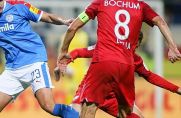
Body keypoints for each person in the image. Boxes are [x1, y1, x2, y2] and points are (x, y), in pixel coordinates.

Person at [57, 0, 181, 117]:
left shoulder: (101, 3)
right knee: (124, 112)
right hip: (123, 68)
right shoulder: (140, 6)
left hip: (103, 71)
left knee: (91, 109)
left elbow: (73, 27)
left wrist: (63, 53)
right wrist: (172, 46)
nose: (136, 45)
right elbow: (161, 22)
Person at [0, 0, 79, 118]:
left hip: (34, 62)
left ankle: (79, 116)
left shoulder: (19, 6)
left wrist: (64, 21)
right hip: (12, 69)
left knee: (48, 105)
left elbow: (47, 16)